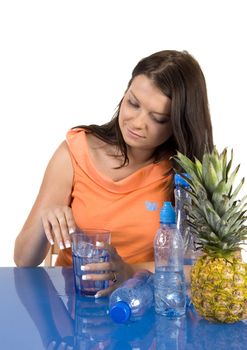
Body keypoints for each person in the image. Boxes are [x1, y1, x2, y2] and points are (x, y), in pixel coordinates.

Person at [14, 49, 213, 297]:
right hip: (78, 309)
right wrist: (47, 220)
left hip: (146, 312)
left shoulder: (185, 175)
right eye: (133, 103)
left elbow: (202, 270)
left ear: (179, 122)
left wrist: (130, 271)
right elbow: (23, 260)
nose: (138, 122)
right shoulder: (75, 153)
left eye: (158, 118)